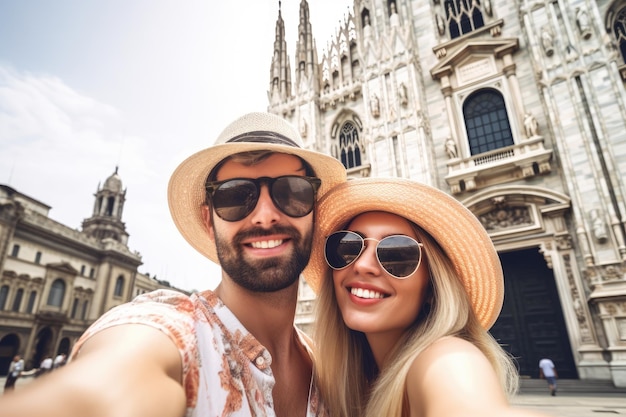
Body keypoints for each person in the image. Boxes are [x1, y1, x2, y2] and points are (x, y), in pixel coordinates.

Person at [0, 112, 346, 416]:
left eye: (292, 192)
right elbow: (110, 385)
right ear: (208, 220)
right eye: (235, 196)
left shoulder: (331, 369)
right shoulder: (174, 334)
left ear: (315, 210)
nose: (266, 215)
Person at [306, 178, 552, 417]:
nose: (363, 265)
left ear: (433, 289)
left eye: (398, 254)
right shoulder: (337, 381)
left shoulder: (448, 358)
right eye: (348, 248)